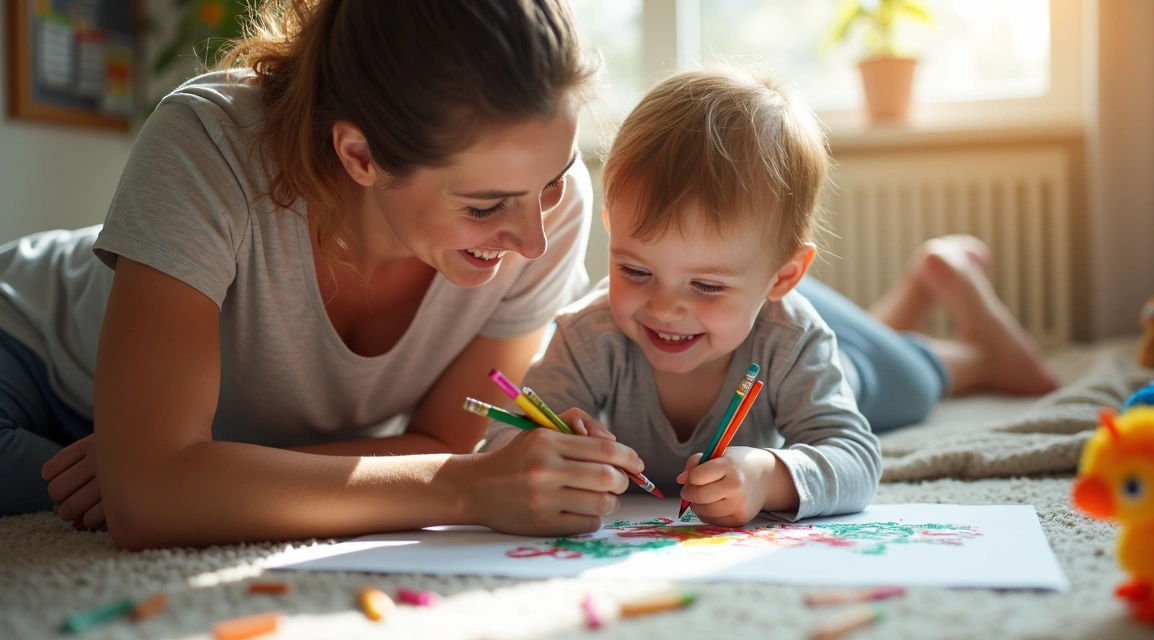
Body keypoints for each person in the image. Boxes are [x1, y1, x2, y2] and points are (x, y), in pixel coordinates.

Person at [0, 0, 643, 547]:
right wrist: (464, 486)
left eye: (553, 183)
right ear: (360, 155)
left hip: (189, 434)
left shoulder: (550, 213)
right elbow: (150, 501)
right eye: (483, 205)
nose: (533, 239)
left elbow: (442, 437)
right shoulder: (209, 142)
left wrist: (195, 473)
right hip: (27, 361)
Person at [481, 68, 1059, 527]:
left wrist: (771, 474)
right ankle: (909, 296)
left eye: (704, 285)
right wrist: (544, 453)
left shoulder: (793, 336)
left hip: (795, 339)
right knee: (860, 349)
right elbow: (503, 439)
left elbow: (855, 456)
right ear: (612, 230)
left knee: (908, 383)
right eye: (635, 270)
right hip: (757, 315)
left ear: (782, 277)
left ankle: (977, 342)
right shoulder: (590, 332)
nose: (663, 307)